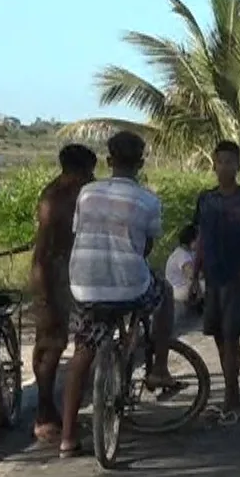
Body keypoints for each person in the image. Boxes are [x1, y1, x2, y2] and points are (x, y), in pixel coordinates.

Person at [57, 131, 176, 457]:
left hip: (85, 285)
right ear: (140, 163)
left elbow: (79, 231)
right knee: (163, 291)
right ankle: (159, 367)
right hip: (129, 285)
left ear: (108, 161)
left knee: (82, 352)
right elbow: (147, 246)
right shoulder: (149, 201)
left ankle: (67, 438)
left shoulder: (86, 194)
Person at [192, 139, 240, 422]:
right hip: (211, 276)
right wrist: (194, 274)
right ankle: (228, 387)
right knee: (216, 334)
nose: (224, 166)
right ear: (213, 164)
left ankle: (232, 394)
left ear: (238, 165)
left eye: (230, 161)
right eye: (220, 161)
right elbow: (200, 238)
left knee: (232, 334)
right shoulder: (206, 199)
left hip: (236, 277)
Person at [29, 143, 96, 443]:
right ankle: (44, 412)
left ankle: (62, 410)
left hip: (76, 272)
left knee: (79, 340)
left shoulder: (79, 193)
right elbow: (43, 249)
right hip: (53, 274)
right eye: (87, 172)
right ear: (77, 171)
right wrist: (44, 286)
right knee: (50, 345)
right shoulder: (54, 199)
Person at [165, 223, 203, 317]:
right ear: (191, 240)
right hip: (177, 289)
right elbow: (192, 275)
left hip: (180, 287)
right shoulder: (182, 255)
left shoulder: (187, 252)